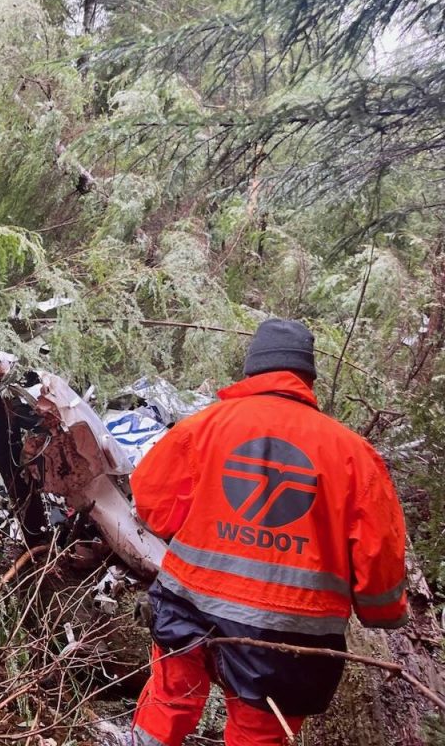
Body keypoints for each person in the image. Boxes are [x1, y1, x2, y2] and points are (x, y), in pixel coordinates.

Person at [128, 318, 408, 746]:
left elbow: (152, 503)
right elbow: (379, 551)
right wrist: (382, 613)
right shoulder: (354, 454)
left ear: (252, 370)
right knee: (258, 736)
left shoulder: (205, 427)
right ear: (307, 376)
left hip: (189, 608)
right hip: (289, 636)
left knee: (166, 707)